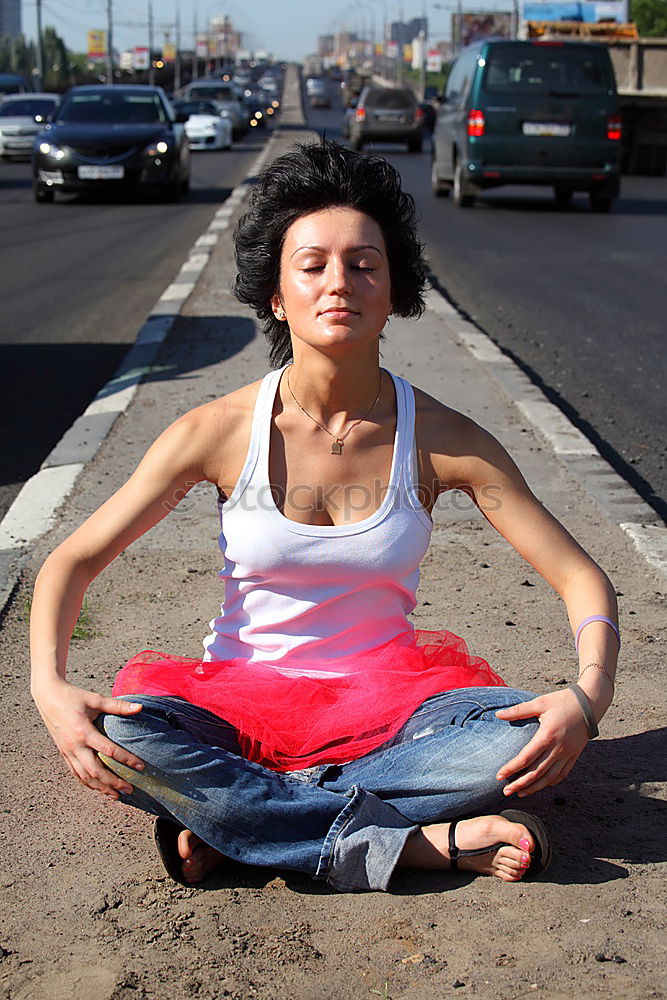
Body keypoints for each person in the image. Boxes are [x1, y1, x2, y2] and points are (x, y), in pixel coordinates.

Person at [30, 141, 619, 893]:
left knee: (534, 736)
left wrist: (588, 697)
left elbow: (578, 576)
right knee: (125, 738)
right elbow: (71, 561)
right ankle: (418, 844)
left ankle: (242, 823)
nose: (339, 282)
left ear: (393, 286)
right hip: (231, 708)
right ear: (276, 294)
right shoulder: (213, 432)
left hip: (398, 712)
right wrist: (49, 689)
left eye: (364, 263)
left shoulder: (445, 439)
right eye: (311, 265)